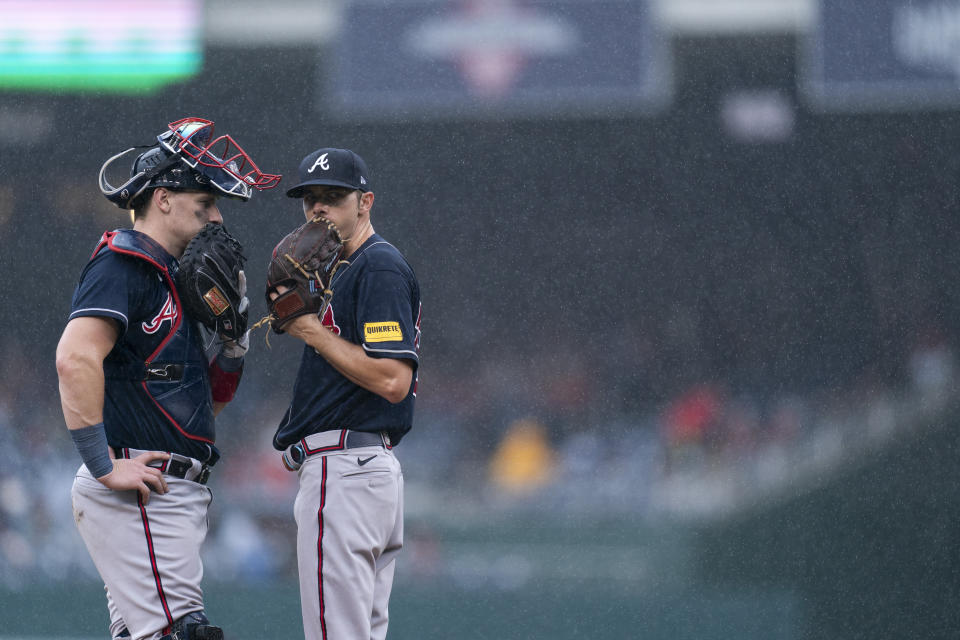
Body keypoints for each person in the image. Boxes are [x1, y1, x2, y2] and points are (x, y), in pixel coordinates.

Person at [55, 117, 278, 640]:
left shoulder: (174, 279)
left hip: (168, 490)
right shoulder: (123, 264)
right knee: (184, 633)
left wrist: (233, 342)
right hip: (141, 487)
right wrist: (103, 464)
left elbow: (199, 406)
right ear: (163, 199)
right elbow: (74, 358)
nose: (218, 218)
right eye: (206, 205)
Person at [272, 147, 422, 640]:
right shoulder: (336, 270)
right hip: (362, 472)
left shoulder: (376, 267)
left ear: (366, 202)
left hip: (344, 472)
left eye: (334, 197)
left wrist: (310, 330)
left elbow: (393, 380)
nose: (319, 209)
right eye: (310, 198)